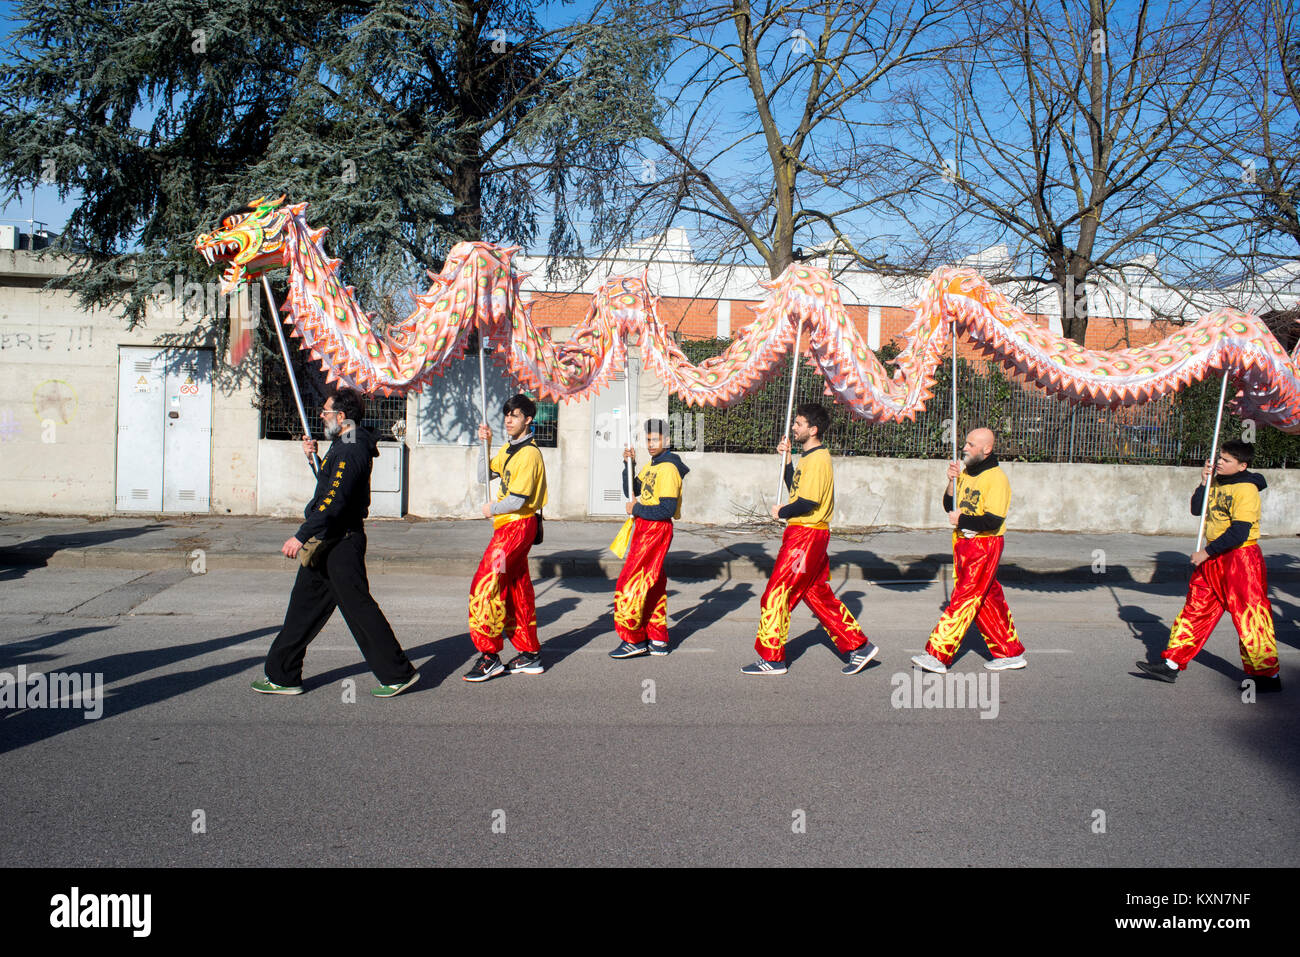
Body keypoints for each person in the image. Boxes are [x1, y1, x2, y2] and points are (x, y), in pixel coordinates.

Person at [252, 388, 420, 698]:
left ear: (341, 418)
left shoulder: (350, 448)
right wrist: (314, 459)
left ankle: (398, 673)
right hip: (329, 540)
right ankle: (282, 675)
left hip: (340, 543)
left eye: (326, 412)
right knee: (302, 610)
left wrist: (301, 535)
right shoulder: (344, 445)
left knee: (360, 609)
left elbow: (335, 501)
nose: (321, 416)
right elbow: (330, 488)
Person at [740, 403, 878, 676]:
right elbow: (795, 489)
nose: (793, 427)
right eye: (795, 422)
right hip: (805, 533)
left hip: (805, 535)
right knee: (817, 594)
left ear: (813, 430)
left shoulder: (817, 459)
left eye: (799, 424)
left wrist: (783, 512)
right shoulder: (808, 457)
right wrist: (787, 460)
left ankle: (772, 658)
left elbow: (807, 502)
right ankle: (858, 646)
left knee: (776, 595)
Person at [1136, 440, 1281, 691]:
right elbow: (1196, 510)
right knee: (1195, 608)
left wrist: (1206, 552)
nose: (1219, 463)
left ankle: (1266, 675)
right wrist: (1204, 482)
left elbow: (1239, 531)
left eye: (1225, 460)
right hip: (1213, 558)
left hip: (1240, 558)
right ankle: (1171, 663)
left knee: (1249, 616)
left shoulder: (1246, 489)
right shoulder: (1216, 482)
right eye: (1219, 458)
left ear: (1242, 465)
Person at [912, 427, 1026, 674]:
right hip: (963, 543)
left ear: (986, 449)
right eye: (966, 442)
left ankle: (938, 654)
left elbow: (993, 521)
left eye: (971, 444)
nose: (965, 447)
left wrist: (962, 520)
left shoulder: (997, 479)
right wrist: (952, 482)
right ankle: (1010, 652)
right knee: (987, 598)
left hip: (984, 545)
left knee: (964, 597)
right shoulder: (966, 474)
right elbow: (948, 505)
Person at [463, 394, 549, 682]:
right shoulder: (509, 450)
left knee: (487, 582)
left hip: (516, 528)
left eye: (515, 415)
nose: (509, 420)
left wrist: (492, 509)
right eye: (506, 415)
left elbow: (518, 499)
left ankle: (489, 655)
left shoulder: (529, 454)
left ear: (528, 419)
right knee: (517, 587)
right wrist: (483, 444)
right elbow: (482, 475)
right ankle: (530, 654)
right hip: (507, 526)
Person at [609, 419, 690, 658]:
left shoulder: (668, 469)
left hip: (655, 530)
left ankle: (633, 638)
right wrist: (629, 464)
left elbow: (665, 509)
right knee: (653, 585)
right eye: (647, 439)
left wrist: (636, 510)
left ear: (667, 441)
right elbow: (631, 491)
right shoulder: (653, 465)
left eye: (655, 439)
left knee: (631, 582)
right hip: (644, 528)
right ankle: (657, 638)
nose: (650, 444)